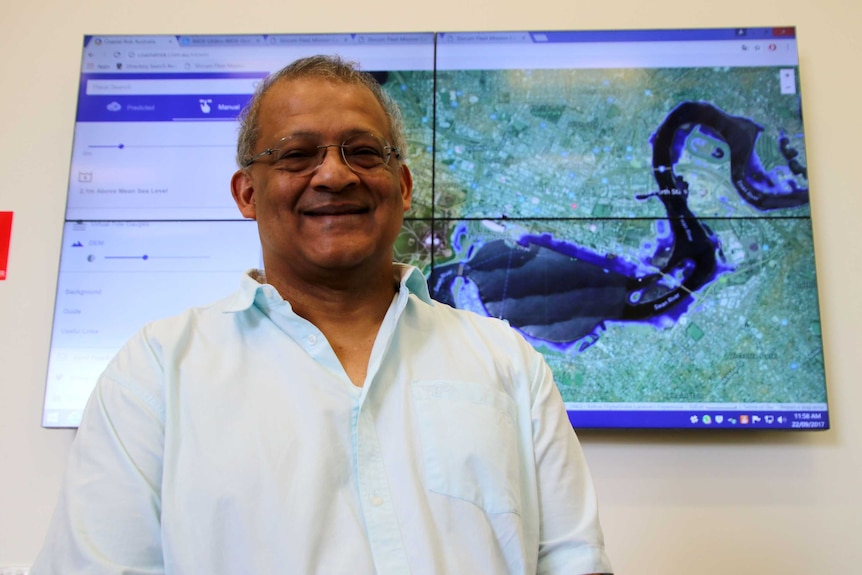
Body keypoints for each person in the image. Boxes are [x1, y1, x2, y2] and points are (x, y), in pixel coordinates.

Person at [32, 55, 613, 575]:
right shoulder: (155, 372)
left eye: (363, 152)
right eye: (296, 155)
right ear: (247, 194)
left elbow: (573, 560)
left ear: (404, 186)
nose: (334, 175)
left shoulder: (508, 362)